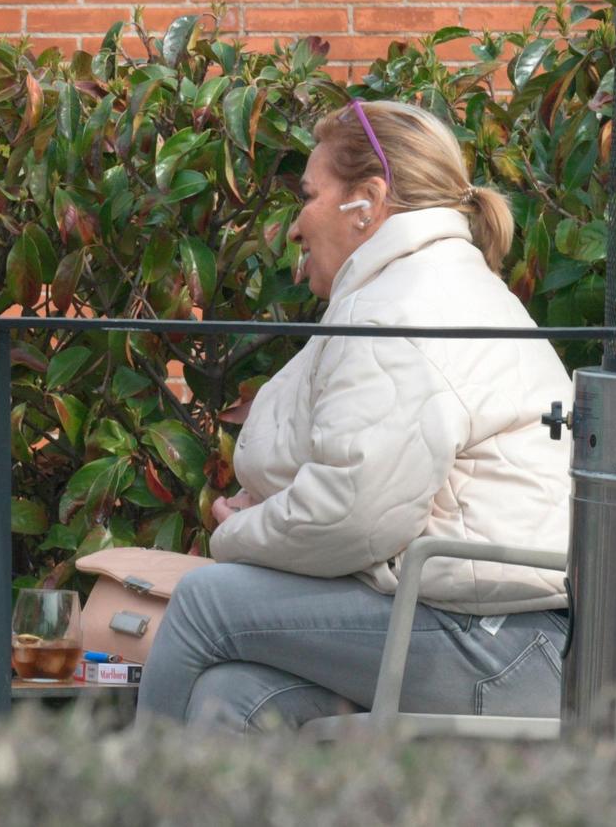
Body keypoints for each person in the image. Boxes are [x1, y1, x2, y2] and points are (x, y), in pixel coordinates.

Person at [135, 100, 573, 732]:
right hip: (502, 640)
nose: (293, 226)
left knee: (206, 602)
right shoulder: (423, 286)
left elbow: (354, 513)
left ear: (365, 202)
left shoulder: (401, 308)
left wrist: (237, 533)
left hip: (497, 647)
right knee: (234, 697)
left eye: (308, 196)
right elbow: (369, 492)